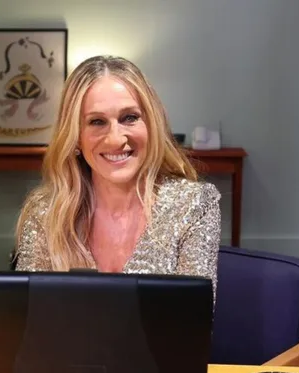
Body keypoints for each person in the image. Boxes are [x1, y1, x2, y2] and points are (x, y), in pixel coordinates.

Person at [13, 55, 222, 299]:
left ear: (151, 124)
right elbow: (28, 319)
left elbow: (193, 321)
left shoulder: (194, 204)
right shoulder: (44, 213)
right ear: (76, 137)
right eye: (97, 122)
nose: (116, 138)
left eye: (129, 118)